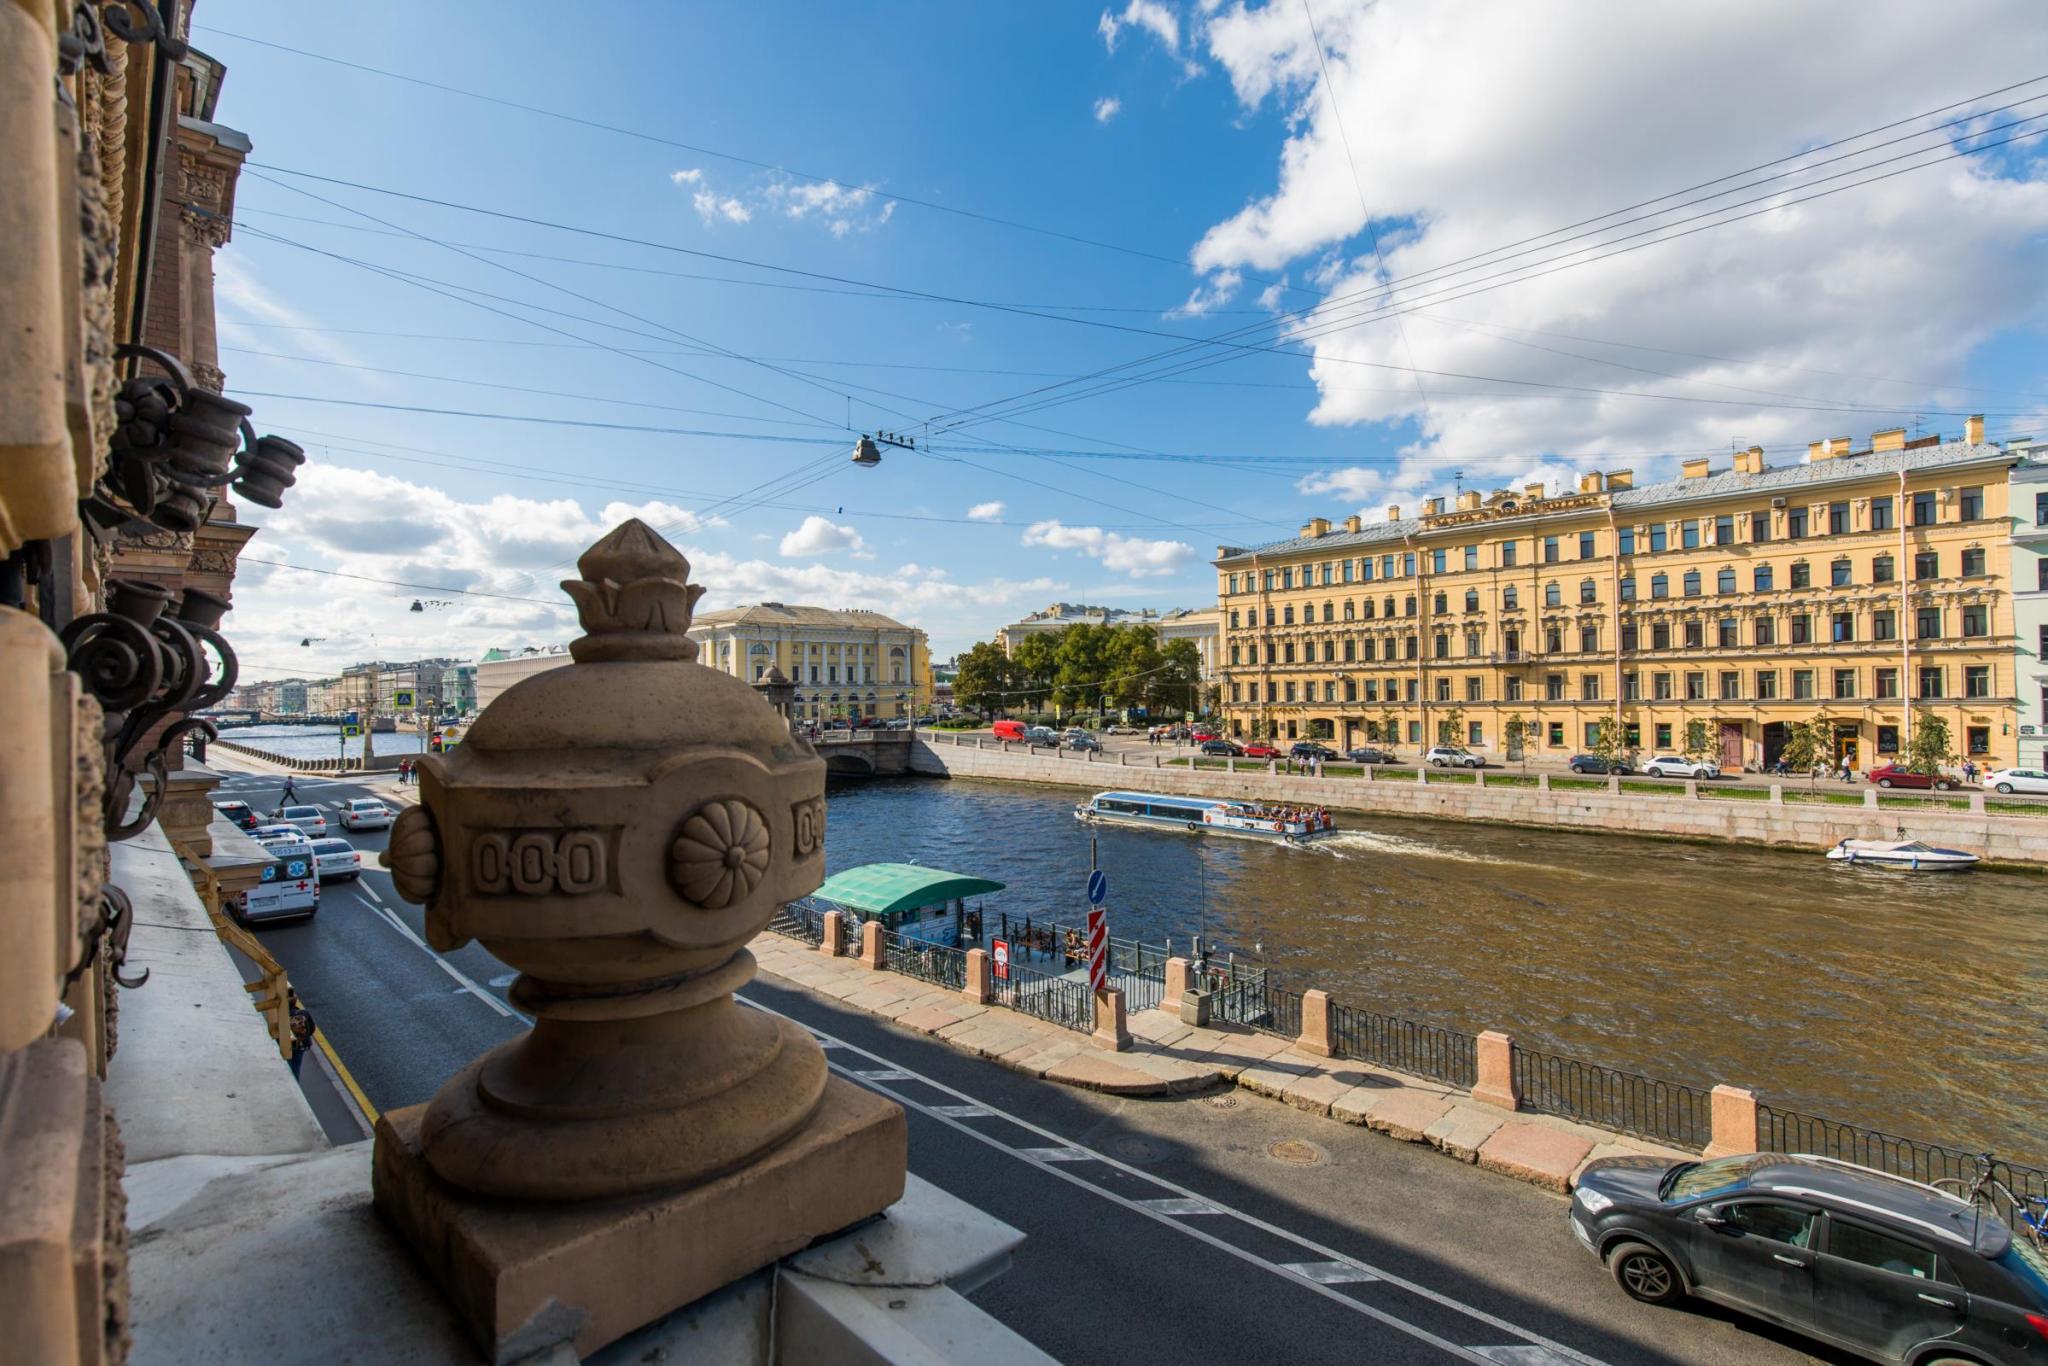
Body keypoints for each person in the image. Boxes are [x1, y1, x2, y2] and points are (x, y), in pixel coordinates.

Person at [287, 992, 314, 1078]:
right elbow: (312, 1028)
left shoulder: (281, 1016)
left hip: (287, 1046)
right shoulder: (303, 1013)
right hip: (301, 1045)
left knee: (288, 1068)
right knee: (296, 1068)